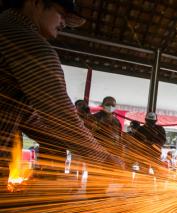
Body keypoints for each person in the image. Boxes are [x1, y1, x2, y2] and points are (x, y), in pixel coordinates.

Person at [0, 0, 121, 177]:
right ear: (35, 2)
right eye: (61, 14)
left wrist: (56, 138)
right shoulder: (28, 43)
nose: (64, 23)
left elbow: (27, 114)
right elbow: (60, 115)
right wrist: (104, 159)